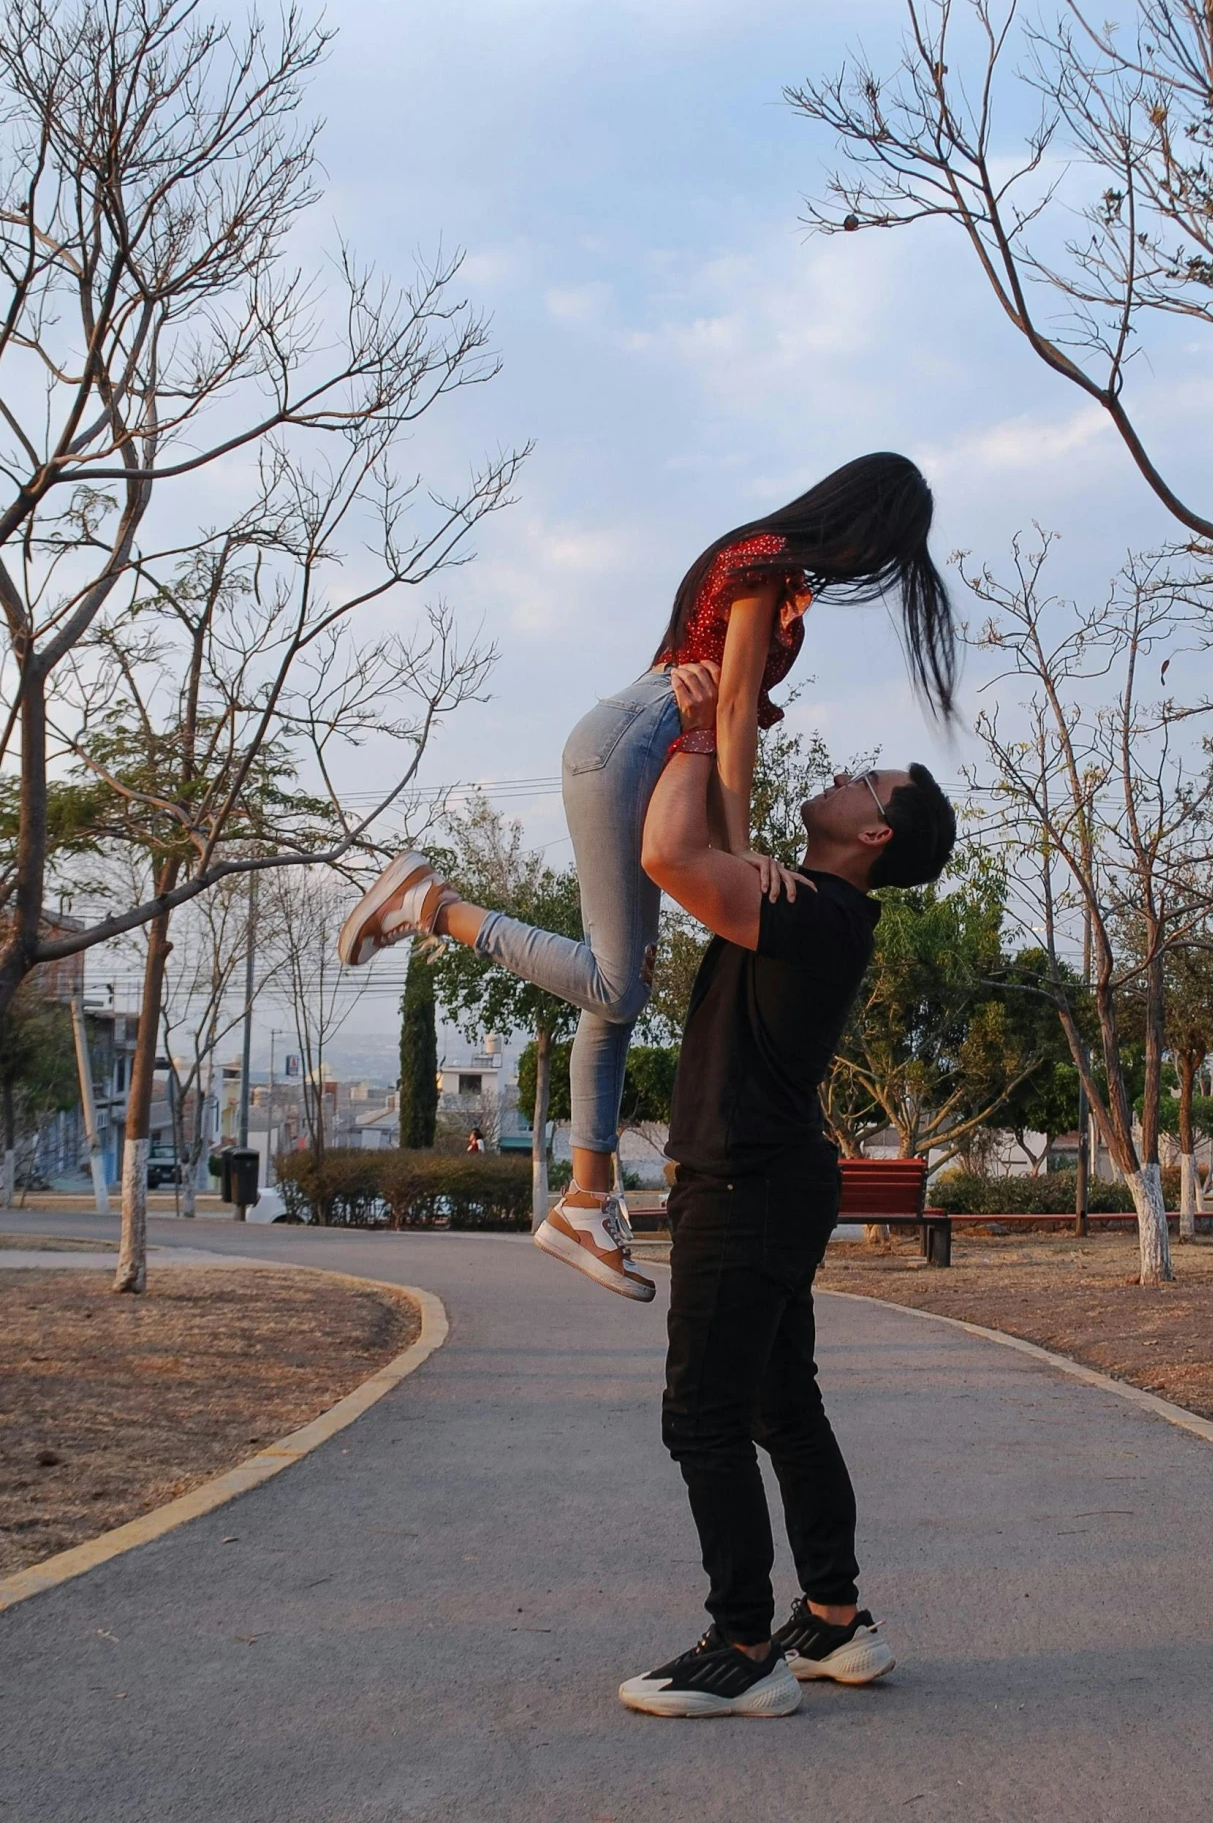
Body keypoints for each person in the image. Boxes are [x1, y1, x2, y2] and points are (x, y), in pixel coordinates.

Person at [335, 453, 956, 1307]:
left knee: (616, 988)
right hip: (640, 742)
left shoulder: (773, 568)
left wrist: (733, 845)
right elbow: (732, 710)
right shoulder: (767, 563)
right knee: (615, 982)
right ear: (862, 522)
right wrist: (738, 850)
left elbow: (732, 713)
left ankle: (588, 1199)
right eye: (880, 547)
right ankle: (430, 905)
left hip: (644, 746)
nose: (870, 565)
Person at [615, 656, 957, 1719]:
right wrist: (724, 717)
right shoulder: (813, 901)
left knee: (702, 1420)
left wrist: (689, 729)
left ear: (876, 835)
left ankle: (744, 1646)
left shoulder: (813, 912)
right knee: (778, 1406)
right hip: (773, 1175)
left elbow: (673, 853)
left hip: (746, 1185)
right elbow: (709, 840)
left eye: (869, 783)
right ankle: (834, 1621)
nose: (850, 778)